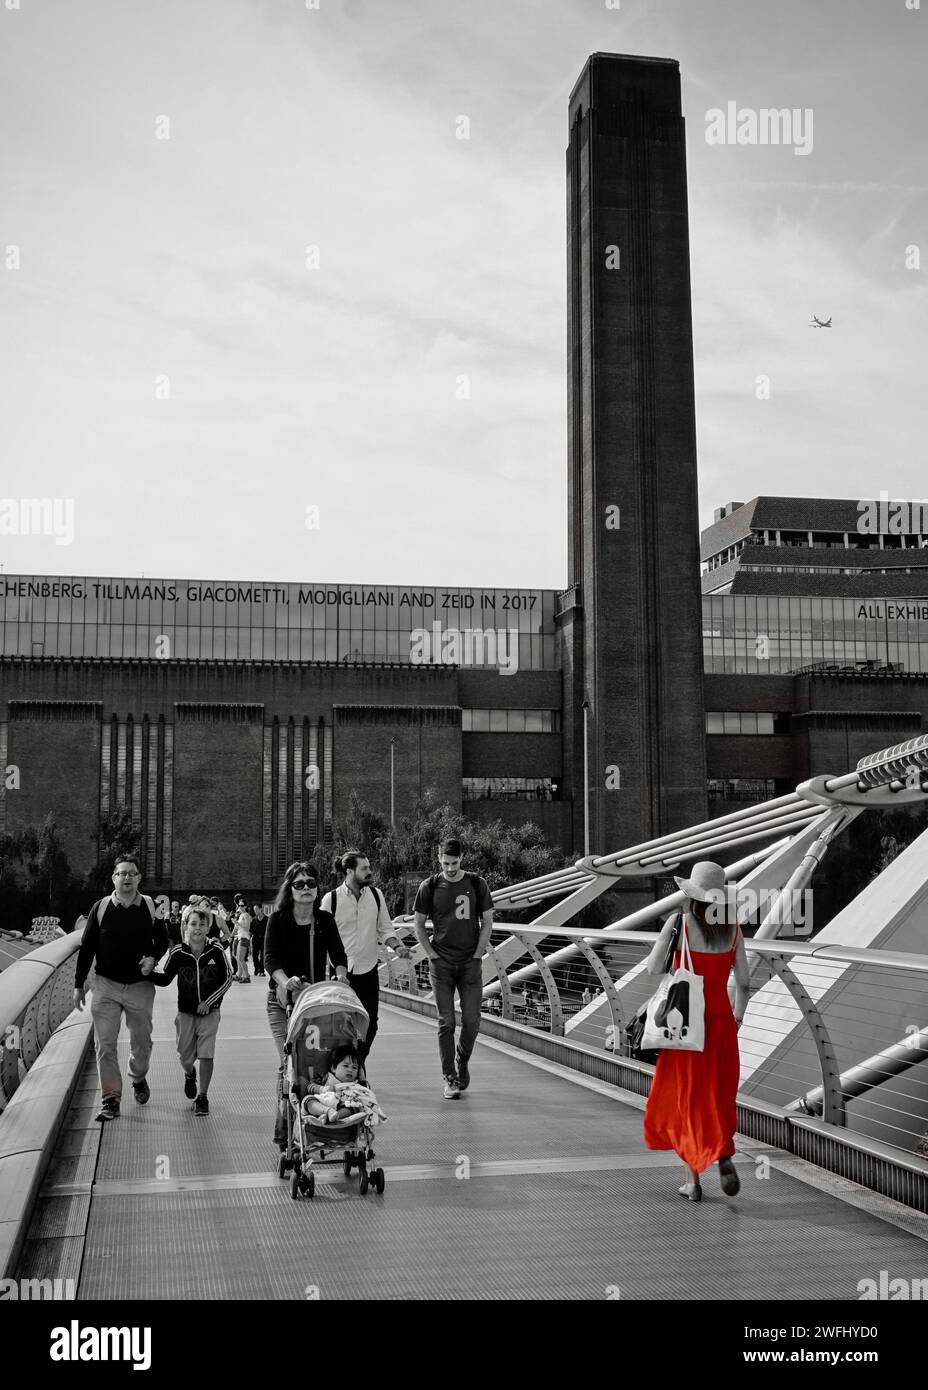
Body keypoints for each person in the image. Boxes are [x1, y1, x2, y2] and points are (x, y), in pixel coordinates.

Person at [643, 861, 750, 1203]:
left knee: (688, 1098)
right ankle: (723, 1151)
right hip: (721, 1023)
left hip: (685, 1025)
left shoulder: (679, 924)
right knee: (718, 1095)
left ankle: (692, 1182)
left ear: (691, 894)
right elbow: (745, 983)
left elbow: (654, 968)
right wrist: (737, 1018)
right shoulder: (732, 930)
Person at [73, 855, 168, 1122]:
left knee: (142, 1042)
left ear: (139, 878)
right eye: (122, 873)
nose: (127, 878)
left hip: (139, 986)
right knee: (104, 1044)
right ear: (114, 878)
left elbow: (162, 940)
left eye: (132, 873)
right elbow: (87, 946)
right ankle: (111, 1099)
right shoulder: (101, 907)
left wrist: (153, 957)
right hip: (105, 985)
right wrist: (79, 984)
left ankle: (138, 1076)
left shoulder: (150, 906)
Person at [413, 838, 493, 1100]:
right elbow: (419, 924)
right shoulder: (430, 886)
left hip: (470, 963)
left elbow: (488, 921)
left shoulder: (477, 883)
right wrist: (432, 955)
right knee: (446, 1022)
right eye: (446, 863)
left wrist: (478, 954)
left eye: (455, 863)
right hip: (442, 964)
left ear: (462, 858)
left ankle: (462, 1060)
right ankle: (450, 1077)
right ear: (438, 858)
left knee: (471, 1021)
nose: (450, 868)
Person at [323, 850, 405, 1068]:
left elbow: (385, 929)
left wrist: (397, 946)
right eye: (365, 868)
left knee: (371, 1024)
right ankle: (342, 1070)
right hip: (340, 973)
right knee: (339, 1025)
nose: (370, 872)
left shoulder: (376, 896)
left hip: (368, 971)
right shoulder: (330, 900)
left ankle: (355, 1064)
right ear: (350, 871)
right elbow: (321, 936)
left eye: (369, 867)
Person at [263, 861, 350, 1066]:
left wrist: (341, 975)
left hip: (314, 1000)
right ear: (289, 889)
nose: (306, 888)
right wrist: (285, 982)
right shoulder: (277, 919)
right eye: (299, 884)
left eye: (310, 883)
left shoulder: (324, 920)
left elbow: (338, 953)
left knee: (316, 1059)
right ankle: (286, 1095)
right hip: (283, 1002)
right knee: (289, 1060)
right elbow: (270, 959)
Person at [151, 906, 233, 1116]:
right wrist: (145, 973)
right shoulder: (178, 953)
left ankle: (203, 1097)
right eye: (193, 924)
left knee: (206, 1054)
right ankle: (189, 1074)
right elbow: (166, 978)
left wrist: (210, 1001)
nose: (197, 929)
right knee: (184, 1056)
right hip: (185, 1013)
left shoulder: (216, 950)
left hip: (210, 1013)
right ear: (185, 926)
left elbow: (227, 979)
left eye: (202, 924)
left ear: (208, 928)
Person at [301, 1043, 386, 1127]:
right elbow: (310, 1086)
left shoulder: (355, 1085)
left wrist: (362, 1077)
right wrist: (322, 1089)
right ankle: (327, 1112)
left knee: (353, 1107)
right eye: (346, 1066)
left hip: (342, 1105)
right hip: (323, 1103)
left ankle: (336, 1116)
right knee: (307, 1100)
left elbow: (363, 1092)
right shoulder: (325, 1077)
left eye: (354, 1068)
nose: (350, 1070)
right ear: (333, 1068)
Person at [233, 898, 253, 983]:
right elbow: (238, 928)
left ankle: (246, 976)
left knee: (241, 959)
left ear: (245, 907)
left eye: (242, 905)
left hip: (244, 938)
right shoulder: (241, 915)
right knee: (238, 958)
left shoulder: (246, 915)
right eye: (239, 905)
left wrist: (237, 923)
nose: (240, 907)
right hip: (240, 937)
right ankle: (239, 974)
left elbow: (247, 928)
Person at [251, 903, 267, 975]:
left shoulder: (267, 919)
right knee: (255, 955)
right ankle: (256, 968)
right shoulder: (253, 920)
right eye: (254, 910)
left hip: (264, 939)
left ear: (261, 909)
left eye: (256, 909)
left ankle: (262, 970)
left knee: (263, 956)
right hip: (255, 939)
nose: (255, 911)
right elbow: (251, 931)